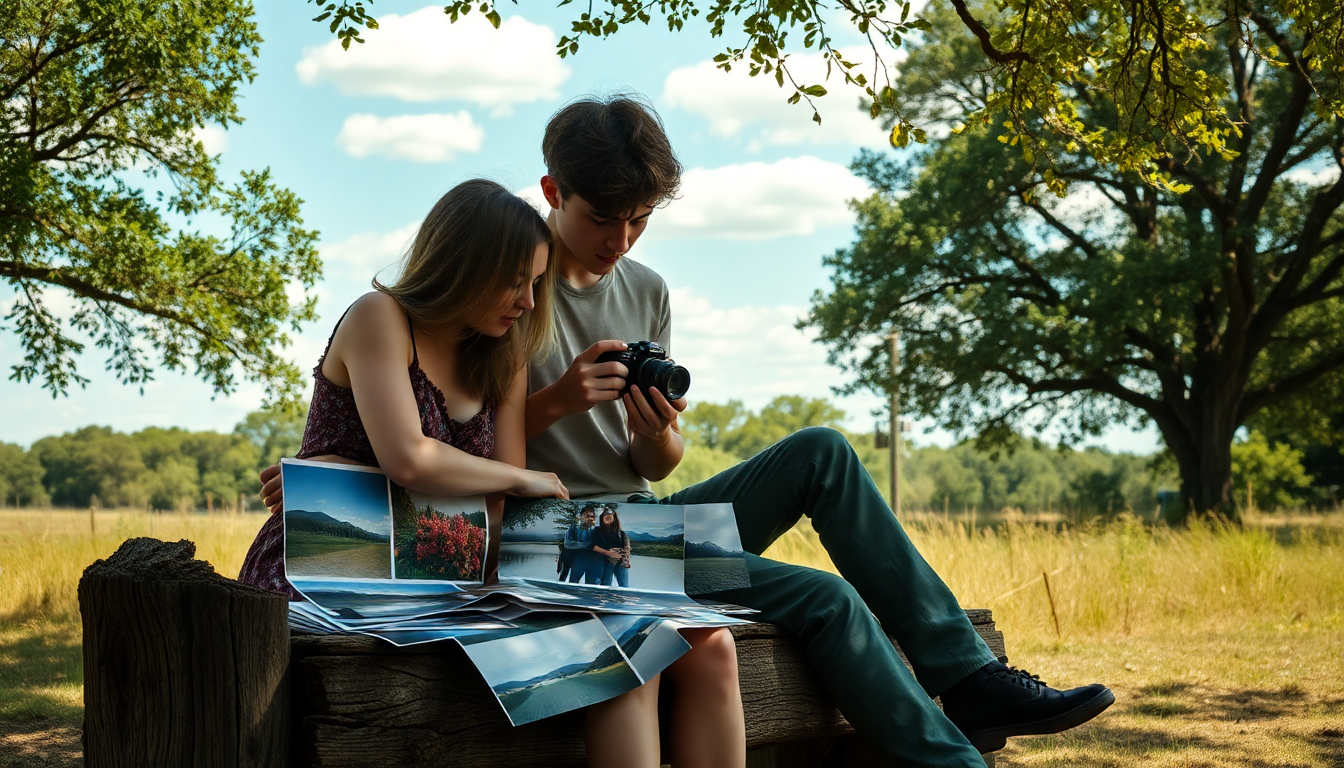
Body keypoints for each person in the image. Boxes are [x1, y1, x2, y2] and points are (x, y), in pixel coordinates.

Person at [521, 94, 1114, 766]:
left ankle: (970, 677)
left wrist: (655, 432)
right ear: (552, 190)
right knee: (826, 596)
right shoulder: (513, 283)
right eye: (603, 219)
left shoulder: (646, 290)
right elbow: (461, 437)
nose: (620, 241)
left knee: (821, 451)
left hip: (648, 522)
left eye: (640, 221)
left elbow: (653, 467)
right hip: (560, 541)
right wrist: (559, 400)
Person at [252, 178, 747, 768]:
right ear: (463, 266)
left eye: (537, 283)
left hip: (456, 566)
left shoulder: (504, 350)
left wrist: (386, 480)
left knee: (704, 634)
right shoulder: (379, 317)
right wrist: (513, 479)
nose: (530, 302)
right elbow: (415, 458)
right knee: (621, 656)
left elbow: (496, 512)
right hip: (337, 561)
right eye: (517, 282)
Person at [592, 506, 632, 587]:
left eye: (610, 515)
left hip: (621, 562)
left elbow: (627, 547)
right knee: (605, 585)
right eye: (605, 515)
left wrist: (626, 557)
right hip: (605, 562)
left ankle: (622, 599)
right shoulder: (597, 531)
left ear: (614, 517)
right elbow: (594, 546)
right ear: (602, 517)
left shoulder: (621, 533)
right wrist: (610, 553)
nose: (607, 516)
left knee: (624, 586)